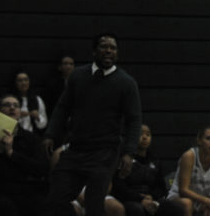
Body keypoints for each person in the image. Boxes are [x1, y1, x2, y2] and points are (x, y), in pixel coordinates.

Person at [43, 33, 142, 216]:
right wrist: (50, 134)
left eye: (113, 48)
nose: (109, 51)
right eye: (104, 46)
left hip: (105, 152)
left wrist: (129, 152)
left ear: (117, 54)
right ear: (94, 51)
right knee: (55, 200)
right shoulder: (78, 76)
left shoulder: (126, 83)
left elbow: (134, 120)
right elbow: (63, 108)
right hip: (76, 149)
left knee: (94, 203)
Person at [0, 94, 50, 216]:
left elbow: (42, 169)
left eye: (16, 105)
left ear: (20, 112)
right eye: (7, 105)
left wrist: (12, 154)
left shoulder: (31, 138)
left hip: (27, 190)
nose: (12, 108)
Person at [166, 126, 210, 215]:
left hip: (204, 198)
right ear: (199, 140)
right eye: (208, 138)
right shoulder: (189, 156)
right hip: (180, 197)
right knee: (187, 203)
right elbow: (183, 190)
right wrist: (207, 201)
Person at [113, 123, 177, 216]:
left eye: (148, 134)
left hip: (151, 198)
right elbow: (119, 187)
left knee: (173, 208)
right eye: (141, 134)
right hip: (131, 198)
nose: (144, 137)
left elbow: (161, 187)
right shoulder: (125, 159)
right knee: (137, 210)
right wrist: (140, 198)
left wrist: (151, 196)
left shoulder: (155, 160)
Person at [13, 69, 49, 134]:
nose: (23, 83)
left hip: (33, 136)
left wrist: (37, 117)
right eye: (20, 81)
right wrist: (18, 116)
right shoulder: (11, 99)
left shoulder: (37, 99)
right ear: (15, 83)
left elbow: (44, 124)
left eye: (26, 80)